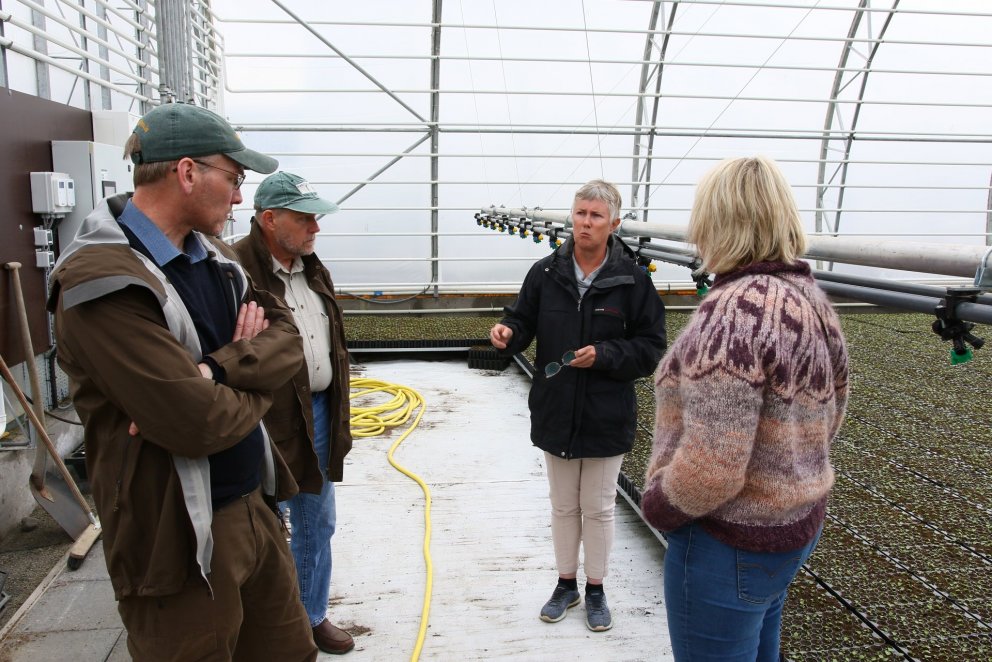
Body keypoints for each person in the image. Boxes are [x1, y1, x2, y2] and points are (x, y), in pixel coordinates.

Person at [47, 102, 318, 662]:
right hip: (176, 536)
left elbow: (288, 339)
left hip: (253, 507)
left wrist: (218, 370)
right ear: (188, 172)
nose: (241, 197)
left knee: (289, 651)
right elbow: (197, 422)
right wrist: (253, 372)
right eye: (235, 179)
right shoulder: (101, 280)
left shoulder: (215, 257)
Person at [641, 156, 849, 661]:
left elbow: (714, 466)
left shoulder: (736, 311)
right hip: (792, 525)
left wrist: (659, 507)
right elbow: (833, 409)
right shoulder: (811, 299)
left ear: (721, 219)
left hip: (727, 542)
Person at [490, 179, 667, 632]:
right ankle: (565, 583)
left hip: (606, 412)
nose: (585, 223)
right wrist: (508, 334)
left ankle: (596, 589)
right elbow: (521, 319)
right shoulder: (546, 273)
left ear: (614, 224)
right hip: (555, 405)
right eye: (580, 213)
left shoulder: (634, 281)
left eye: (596, 216)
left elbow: (650, 347)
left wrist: (605, 355)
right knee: (563, 504)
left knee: (600, 506)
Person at [233, 172, 354, 655]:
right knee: (263, 524)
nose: (315, 228)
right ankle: (266, 624)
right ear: (269, 219)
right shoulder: (235, 269)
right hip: (266, 417)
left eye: (315, 218)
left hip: (319, 412)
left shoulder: (312, 268)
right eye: (304, 218)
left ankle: (310, 614)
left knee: (316, 519)